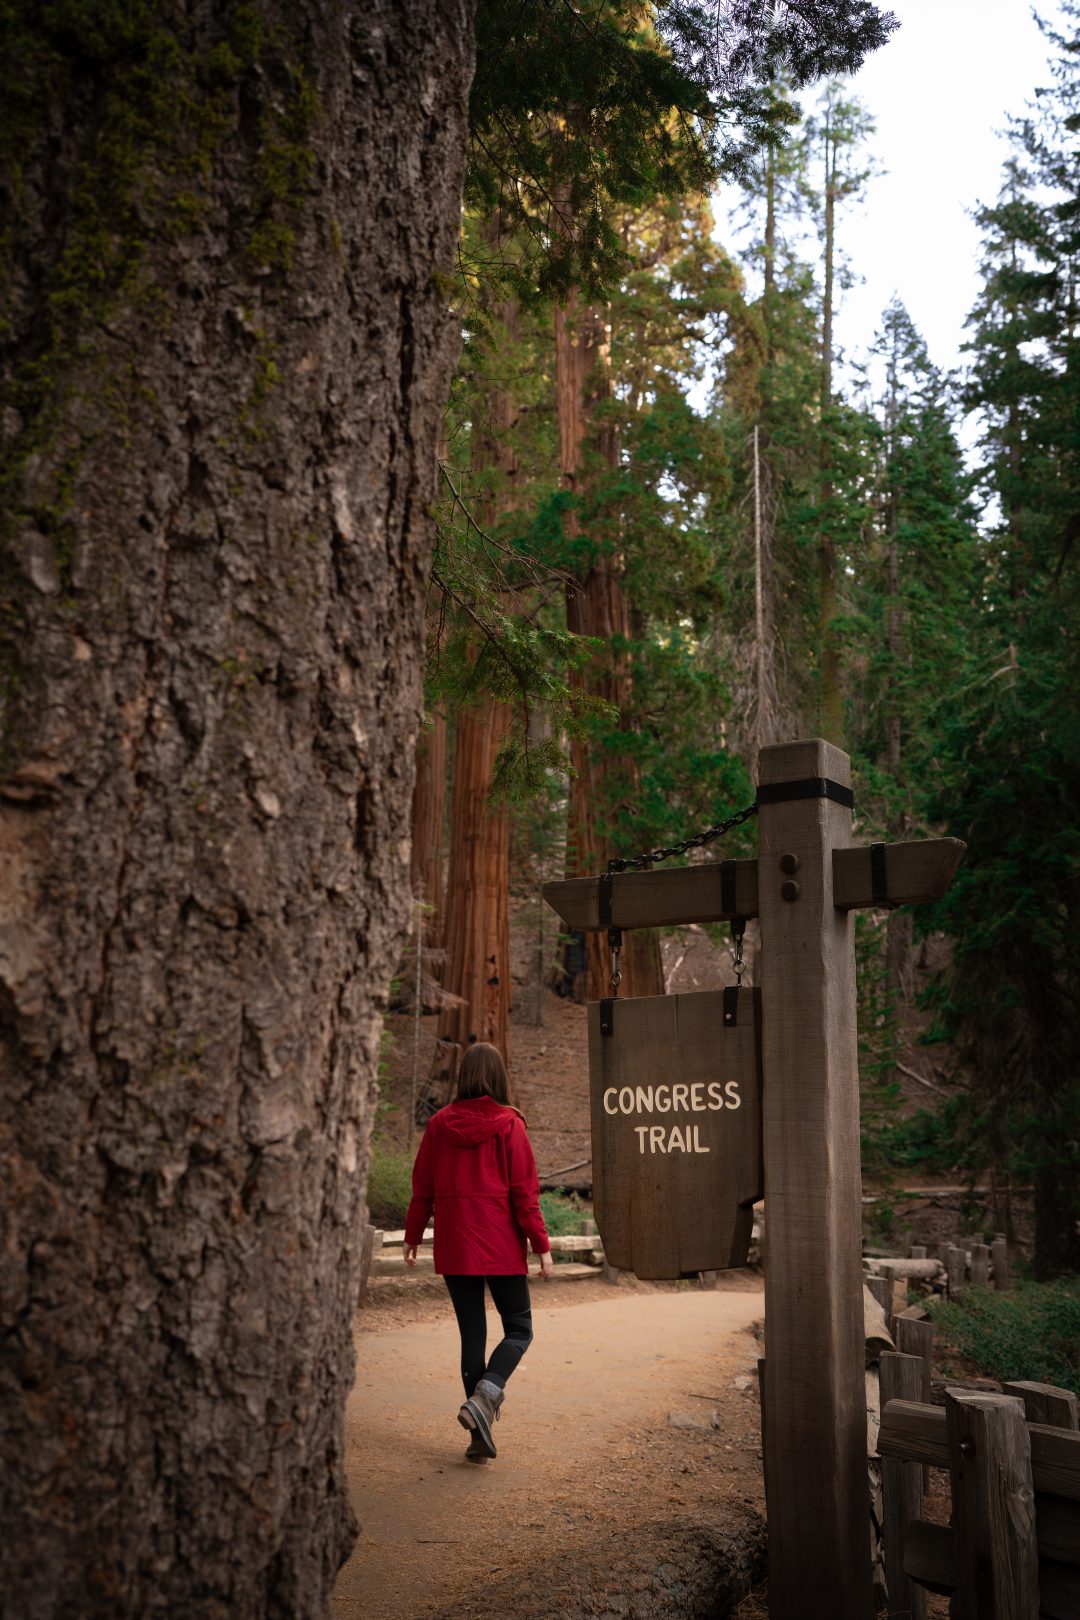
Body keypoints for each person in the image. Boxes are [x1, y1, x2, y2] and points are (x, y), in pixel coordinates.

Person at [403, 1042, 553, 1462]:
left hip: (456, 1245)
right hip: (501, 1245)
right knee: (520, 1329)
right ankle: (485, 1400)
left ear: (463, 1076)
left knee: (473, 1336)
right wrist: (542, 1245)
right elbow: (525, 1195)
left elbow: (422, 1190)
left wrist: (412, 1235)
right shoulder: (510, 1125)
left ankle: (477, 1431)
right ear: (500, 1076)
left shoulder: (438, 1125)